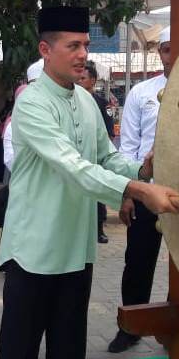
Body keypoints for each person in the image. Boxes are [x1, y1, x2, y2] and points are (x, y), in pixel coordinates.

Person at [0, 6, 179, 359]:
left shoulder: (86, 102)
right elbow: (73, 165)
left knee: (68, 354)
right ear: (45, 50)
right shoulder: (33, 104)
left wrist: (141, 173)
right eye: (72, 46)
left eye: (84, 45)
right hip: (34, 250)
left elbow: (106, 156)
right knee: (18, 357)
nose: (82, 55)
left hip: (76, 249)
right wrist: (137, 193)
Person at [107, 27, 174, 354]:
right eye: (166, 48)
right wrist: (128, 193)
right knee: (137, 260)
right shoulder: (141, 93)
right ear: (159, 52)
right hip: (148, 189)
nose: (172, 54)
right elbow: (128, 146)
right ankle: (131, 326)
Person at [78, 61, 115, 244]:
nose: (79, 81)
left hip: (96, 154)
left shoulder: (101, 102)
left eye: (83, 78)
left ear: (92, 80)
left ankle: (99, 228)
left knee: (98, 193)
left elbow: (108, 131)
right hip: (77, 156)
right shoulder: (73, 101)